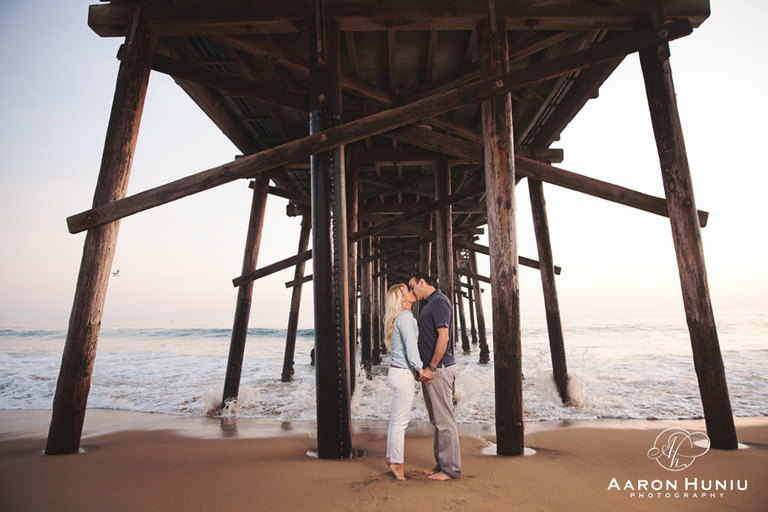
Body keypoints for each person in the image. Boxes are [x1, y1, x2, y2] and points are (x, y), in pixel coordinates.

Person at [407, 272, 461, 480]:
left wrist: (431, 367)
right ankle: (442, 464)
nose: (412, 291)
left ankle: (451, 469)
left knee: (444, 420)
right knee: (437, 419)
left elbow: (444, 336)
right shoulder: (430, 303)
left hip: (440, 369)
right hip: (433, 369)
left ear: (422, 282)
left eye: (413, 287)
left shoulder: (439, 302)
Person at [383, 283, 423, 481]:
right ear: (403, 299)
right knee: (401, 423)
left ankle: (391, 457)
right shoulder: (406, 318)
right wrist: (420, 368)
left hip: (395, 372)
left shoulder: (399, 318)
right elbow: (411, 347)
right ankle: (398, 464)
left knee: (395, 421)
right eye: (407, 291)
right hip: (403, 373)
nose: (411, 292)